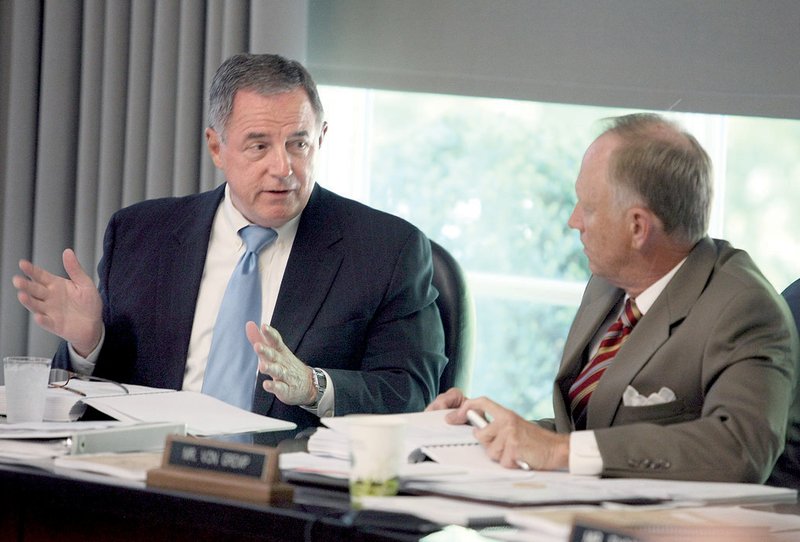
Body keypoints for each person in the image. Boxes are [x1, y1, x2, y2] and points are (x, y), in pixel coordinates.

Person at [13, 53, 446, 440]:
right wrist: (88, 345)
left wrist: (314, 386)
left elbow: (412, 393)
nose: (283, 168)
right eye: (259, 146)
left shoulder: (387, 250)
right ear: (216, 147)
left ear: (322, 138)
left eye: (299, 143)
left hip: (281, 495)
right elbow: (97, 400)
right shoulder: (141, 234)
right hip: (147, 476)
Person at [428, 113, 799, 483]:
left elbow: (738, 450)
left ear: (638, 227)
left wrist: (557, 451)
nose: (574, 221)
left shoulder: (744, 308)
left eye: (588, 208)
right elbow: (590, 430)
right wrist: (489, 432)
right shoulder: (608, 284)